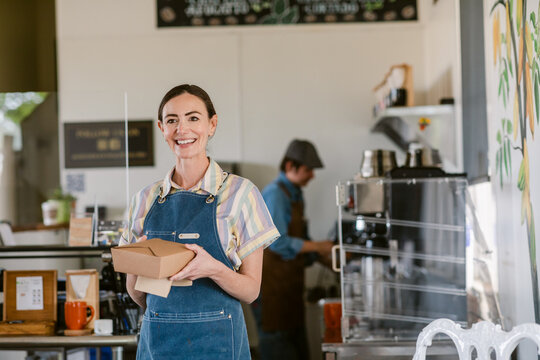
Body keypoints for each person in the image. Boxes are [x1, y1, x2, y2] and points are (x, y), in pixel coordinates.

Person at [121, 84, 280, 359]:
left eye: (193, 118)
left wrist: (213, 269)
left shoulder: (241, 194)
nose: (182, 129)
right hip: (159, 344)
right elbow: (136, 292)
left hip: (218, 346)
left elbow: (251, 291)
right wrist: (141, 265)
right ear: (162, 128)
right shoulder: (143, 201)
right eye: (172, 120)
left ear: (212, 125)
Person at [255, 139, 334, 360]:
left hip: (288, 288)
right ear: (291, 166)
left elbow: (301, 241)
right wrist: (320, 246)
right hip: (272, 290)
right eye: (309, 170)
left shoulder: (295, 194)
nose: (313, 176)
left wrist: (325, 259)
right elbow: (277, 242)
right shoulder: (276, 194)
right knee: (278, 349)